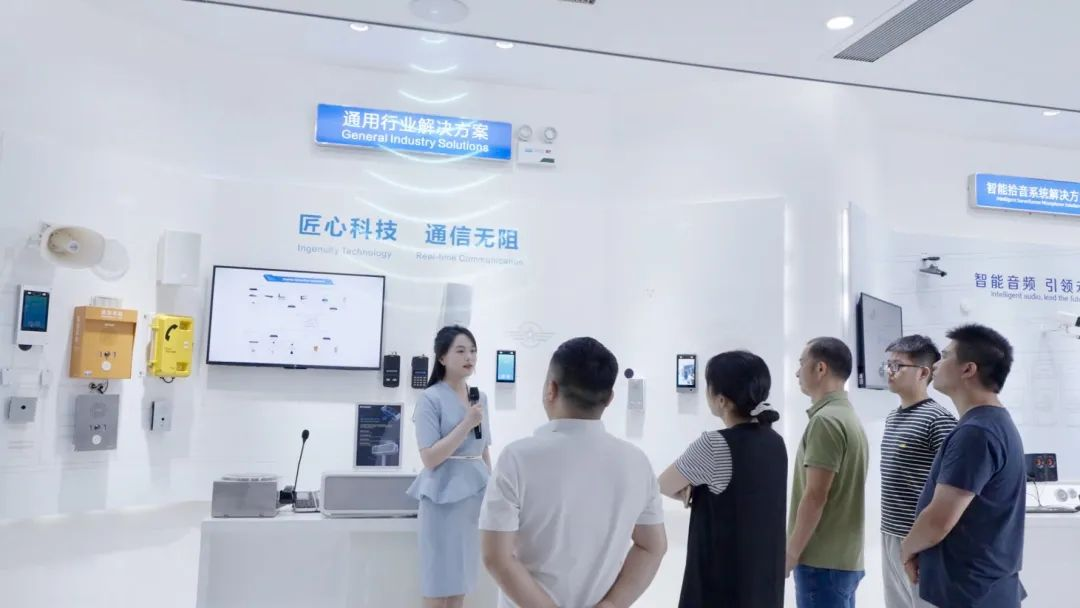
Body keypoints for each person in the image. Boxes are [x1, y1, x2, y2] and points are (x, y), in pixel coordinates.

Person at [479, 337, 667, 608]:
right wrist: (612, 604)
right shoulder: (637, 462)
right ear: (610, 399)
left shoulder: (517, 458)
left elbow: (496, 556)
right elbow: (652, 546)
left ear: (551, 389)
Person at [901, 324, 1027, 608]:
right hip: (980, 588)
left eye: (945, 356)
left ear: (968, 369)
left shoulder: (976, 432)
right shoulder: (991, 423)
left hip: (966, 592)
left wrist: (906, 548)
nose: (936, 364)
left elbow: (939, 520)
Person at [658, 350, 788, 608]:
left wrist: (690, 491)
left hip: (723, 585)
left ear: (721, 400)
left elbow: (662, 484)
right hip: (764, 583)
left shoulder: (715, 444)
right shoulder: (775, 442)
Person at [407, 325, 493, 608]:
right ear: (442, 357)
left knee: (461, 579)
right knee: (437, 581)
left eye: (473, 351)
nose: (469, 357)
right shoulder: (430, 399)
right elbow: (430, 458)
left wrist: (492, 490)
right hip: (441, 498)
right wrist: (467, 422)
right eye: (461, 351)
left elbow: (484, 449)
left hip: (473, 497)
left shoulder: (480, 397)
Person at [788, 337, 869, 608]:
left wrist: (791, 552)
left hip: (821, 562)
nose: (797, 372)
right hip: (842, 560)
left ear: (820, 368)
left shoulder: (826, 421)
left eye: (802, 363)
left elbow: (815, 495)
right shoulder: (847, 416)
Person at [879, 335, 957, 608]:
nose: (889, 372)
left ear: (924, 373)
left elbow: (951, 488)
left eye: (897, 366)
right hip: (889, 532)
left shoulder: (939, 420)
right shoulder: (893, 417)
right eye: (888, 365)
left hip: (920, 539)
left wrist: (923, 539)